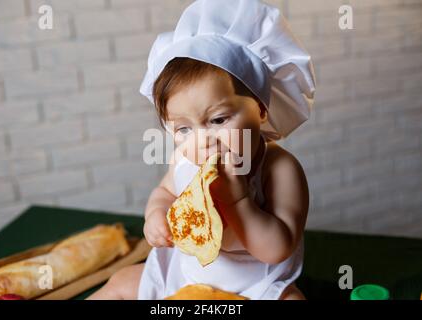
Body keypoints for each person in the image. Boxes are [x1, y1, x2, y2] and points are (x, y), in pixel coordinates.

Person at [88, 0, 316, 300]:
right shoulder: (184, 160)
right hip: (186, 277)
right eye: (184, 129)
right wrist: (155, 215)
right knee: (121, 281)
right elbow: (164, 193)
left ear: (261, 109)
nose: (202, 140)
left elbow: (277, 248)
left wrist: (238, 200)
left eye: (218, 119)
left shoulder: (279, 169)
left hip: (255, 286)